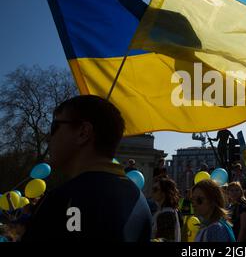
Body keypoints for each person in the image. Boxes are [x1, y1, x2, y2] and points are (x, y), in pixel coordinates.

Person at [22, 95, 152, 241]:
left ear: (83, 132)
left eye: (54, 127)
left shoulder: (62, 200)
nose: (47, 137)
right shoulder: (140, 201)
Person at [151, 177, 181, 242]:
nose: (152, 192)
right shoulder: (165, 211)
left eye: (155, 189)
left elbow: (165, 240)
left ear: (164, 193)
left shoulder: (166, 214)